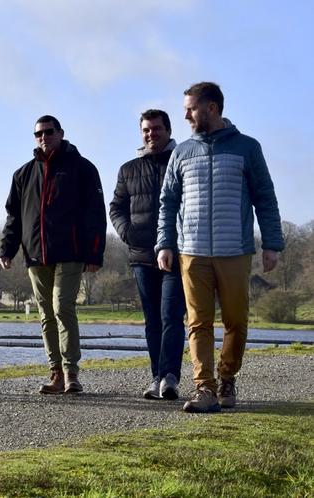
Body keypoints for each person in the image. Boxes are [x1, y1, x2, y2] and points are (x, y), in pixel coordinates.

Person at [156, 82, 284, 413]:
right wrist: (165, 243)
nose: (185, 114)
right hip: (191, 251)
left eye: (191, 108)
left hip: (234, 251)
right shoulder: (181, 152)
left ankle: (227, 377)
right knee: (197, 322)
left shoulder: (247, 148)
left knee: (236, 321)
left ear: (211, 108)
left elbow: (264, 198)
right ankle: (205, 388)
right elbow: (168, 202)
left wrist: (272, 244)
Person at [0, 115, 106, 394]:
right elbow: (14, 217)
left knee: (62, 307)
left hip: (70, 253)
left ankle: (72, 372)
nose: (43, 137)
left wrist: (95, 253)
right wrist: (7, 249)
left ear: (61, 133)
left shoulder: (82, 169)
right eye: (38, 134)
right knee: (46, 314)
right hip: (35, 254)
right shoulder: (23, 174)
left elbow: (96, 214)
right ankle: (56, 373)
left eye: (48, 132)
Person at [110, 110, 186, 400]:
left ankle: (170, 377)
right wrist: (128, 233)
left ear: (168, 130)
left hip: (177, 254)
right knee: (152, 320)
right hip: (141, 255)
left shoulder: (181, 162)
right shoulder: (128, 169)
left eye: (156, 128)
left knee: (171, 316)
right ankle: (156, 376)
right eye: (146, 129)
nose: (151, 134)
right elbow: (116, 206)